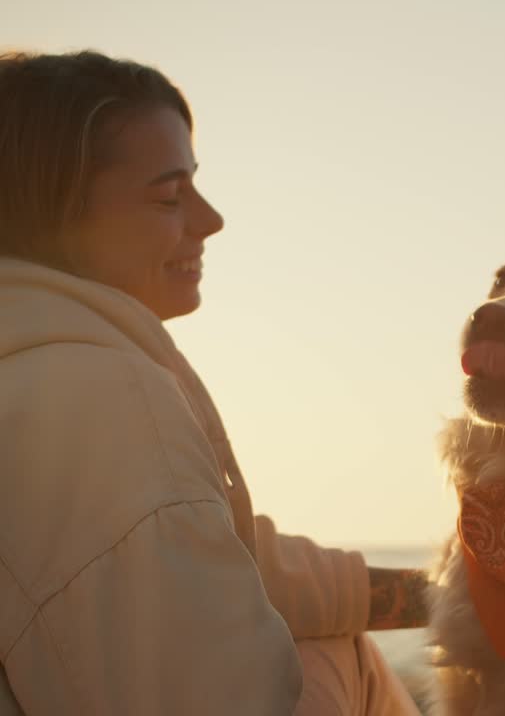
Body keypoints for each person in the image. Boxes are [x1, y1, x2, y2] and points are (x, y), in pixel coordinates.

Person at [0, 51, 423, 714]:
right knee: (344, 653)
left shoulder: (32, 367)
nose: (210, 219)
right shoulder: (103, 402)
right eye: (170, 197)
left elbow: (232, 560)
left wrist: (448, 594)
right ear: (50, 214)